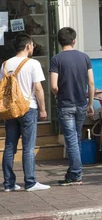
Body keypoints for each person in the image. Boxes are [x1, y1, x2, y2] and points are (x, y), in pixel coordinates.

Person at [2, 34, 50, 192]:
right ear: (28, 46)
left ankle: (9, 183)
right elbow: (38, 88)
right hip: (29, 108)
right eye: (32, 45)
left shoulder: (5, 64)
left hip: (11, 110)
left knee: (10, 146)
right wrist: (43, 109)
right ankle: (30, 182)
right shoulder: (33, 63)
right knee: (28, 147)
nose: (33, 48)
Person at [49, 27, 94, 186]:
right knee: (76, 138)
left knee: (72, 140)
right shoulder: (84, 57)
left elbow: (53, 85)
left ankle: (75, 175)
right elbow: (91, 83)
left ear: (59, 41)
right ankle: (74, 173)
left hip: (65, 104)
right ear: (74, 40)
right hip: (81, 103)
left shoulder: (56, 59)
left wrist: (58, 94)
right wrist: (90, 103)